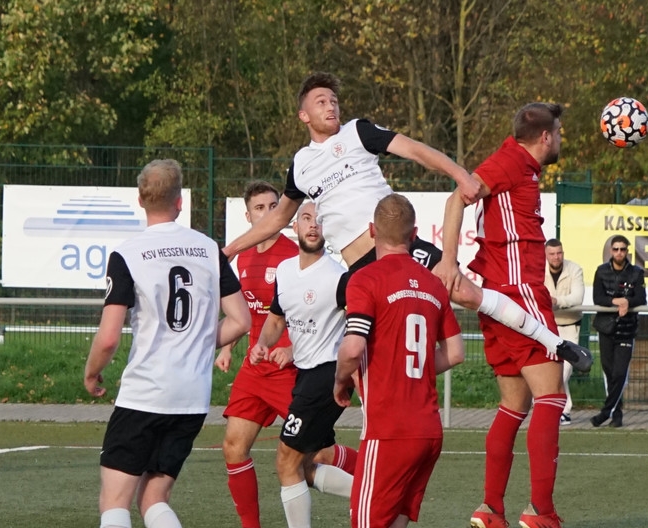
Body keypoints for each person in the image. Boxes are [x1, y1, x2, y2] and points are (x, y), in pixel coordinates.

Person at [222, 71, 591, 373]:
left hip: (399, 246)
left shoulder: (357, 132)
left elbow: (415, 150)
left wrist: (460, 175)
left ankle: (555, 343)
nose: (331, 106)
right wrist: (231, 249)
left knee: (463, 292)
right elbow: (279, 217)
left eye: (333, 100)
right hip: (362, 267)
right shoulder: (301, 165)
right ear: (303, 115)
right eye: (321, 102)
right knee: (367, 349)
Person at [71, 159, 251, 528]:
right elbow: (241, 319)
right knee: (154, 497)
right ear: (180, 200)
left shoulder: (128, 252)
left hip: (144, 394)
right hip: (190, 398)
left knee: (115, 502)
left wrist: (91, 372)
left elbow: (110, 336)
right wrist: (197, 344)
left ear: (140, 200)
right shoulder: (208, 249)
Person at [443, 102, 581, 528]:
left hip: (500, 294)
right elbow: (458, 197)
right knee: (552, 396)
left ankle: (492, 508)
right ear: (545, 137)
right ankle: (542, 510)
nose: (560, 139)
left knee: (513, 405)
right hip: (518, 292)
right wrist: (448, 262)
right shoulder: (509, 161)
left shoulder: (521, 166)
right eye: (558, 131)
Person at [334, 193, 464, 528]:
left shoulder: (365, 279)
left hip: (389, 429)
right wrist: (415, 372)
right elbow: (456, 352)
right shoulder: (432, 284)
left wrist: (341, 382)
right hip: (429, 427)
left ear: (372, 232)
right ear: (415, 235)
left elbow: (352, 348)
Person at [212, 181, 357, 528]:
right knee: (233, 446)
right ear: (248, 216)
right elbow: (246, 312)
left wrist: (291, 349)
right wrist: (228, 347)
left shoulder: (295, 257)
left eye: (274, 206)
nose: (268, 213)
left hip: (293, 371)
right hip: (256, 367)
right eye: (260, 208)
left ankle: (374, 477)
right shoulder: (244, 257)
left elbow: (314, 317)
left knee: (314, 458)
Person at [250, 200, 354, 528]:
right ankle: (373, 498)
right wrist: (264, 343)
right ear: (294, 226)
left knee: (285, 459)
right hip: (305, 376)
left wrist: (350, 373)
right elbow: (277, 320)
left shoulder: (339, 278)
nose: (313, 225)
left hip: (328, 376)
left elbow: (360, 327)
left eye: (320, 220)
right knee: (307, 464)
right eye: (307, 218)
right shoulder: (285, 271)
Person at [590, 234, 647, 428]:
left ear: (627, 251)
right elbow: (597, 298)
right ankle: (617, 413)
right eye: (616, 249)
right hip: (606, 328)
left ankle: (605, 412)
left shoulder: (637, 273)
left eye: (622, 249)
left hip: (627, 329)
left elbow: (641, 298)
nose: (619, 252)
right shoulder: (601, 271)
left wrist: (628, 302)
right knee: (609, 372)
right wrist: (616, 301)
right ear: (611, 251)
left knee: (620, 373)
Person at [544, 238, 585, 426]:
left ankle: (556, 408)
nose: (556, 257)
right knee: (550, 370)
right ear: (546, 255)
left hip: (570, 325)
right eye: (552, 254)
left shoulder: (574, 269)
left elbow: (577, 297)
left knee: (564, 371)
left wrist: (556, 301)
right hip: (547, 326)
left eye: (559, 253)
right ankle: (563, 410)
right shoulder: (539, 270)